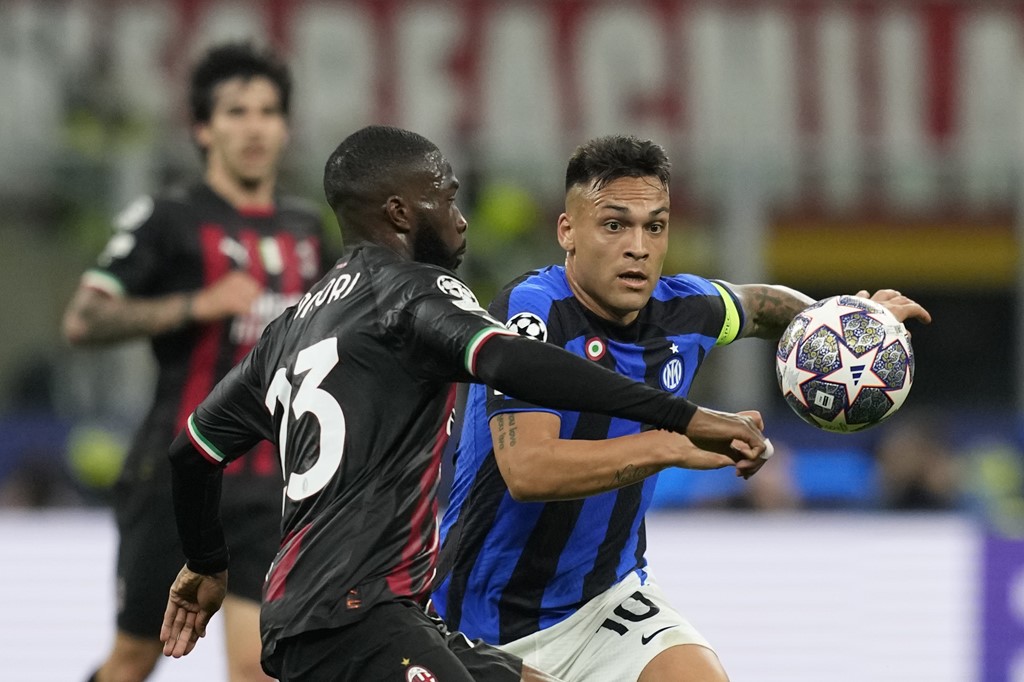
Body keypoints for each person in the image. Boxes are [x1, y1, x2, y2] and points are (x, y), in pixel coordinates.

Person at [157, 125, 774, 682]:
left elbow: (192, 450)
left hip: (359, 613)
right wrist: (681, 419)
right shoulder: (415, 295)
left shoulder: (293, 326)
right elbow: (511, 362)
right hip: (355, 616)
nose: (460, 219)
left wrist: (206, 562)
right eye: (445, 199)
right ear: (400, 213)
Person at [430, 134, 933, 682]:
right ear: (567, 233)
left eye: (656, 225)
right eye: (616, 225)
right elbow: (528, 469)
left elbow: (762, 307)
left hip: (604, 605)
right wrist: (673, 442)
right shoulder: (533, 311)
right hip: (477, 623)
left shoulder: (684, 308)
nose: (639, 247)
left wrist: (844, 328)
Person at [62, 42, 331, 682]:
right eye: (236, 112)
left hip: (274, 485)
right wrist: (195, 304)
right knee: (133, 660)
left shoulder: (308, 230)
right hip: (177, 475)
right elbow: (84, 319)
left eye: (268, 112)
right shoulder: (168, 219)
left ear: (285, 127)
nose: (255, 127)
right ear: (203, 129)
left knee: (258, 669)